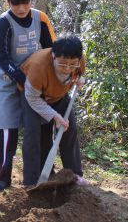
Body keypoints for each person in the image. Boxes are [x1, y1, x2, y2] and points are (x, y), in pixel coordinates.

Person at [0, 0, 56, 192]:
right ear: (8, 2)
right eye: (15, 3)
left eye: (25, 3)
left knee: (42, 123)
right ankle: (2, 177)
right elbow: (2, 58)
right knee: (6, 126)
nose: (21, 8)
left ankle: (44, 171)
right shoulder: (3, 23)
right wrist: (22, 79)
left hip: (34, 78)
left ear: (31, 0)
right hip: (8, 79)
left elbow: (51, 50)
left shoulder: (40, 19)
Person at [19, 35, 90, 187]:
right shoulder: (38, 66)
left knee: (69, 130)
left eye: (73, 65)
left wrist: (80, 80)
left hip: (59, 96)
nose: (68, 69)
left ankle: (74, 176)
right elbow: (32, 98)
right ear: (53, 56)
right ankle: (32, 181)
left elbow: (79, 74)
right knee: (34, 134)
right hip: (34, 98)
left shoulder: (78, 61)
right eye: (63, 64)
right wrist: (54, 116)